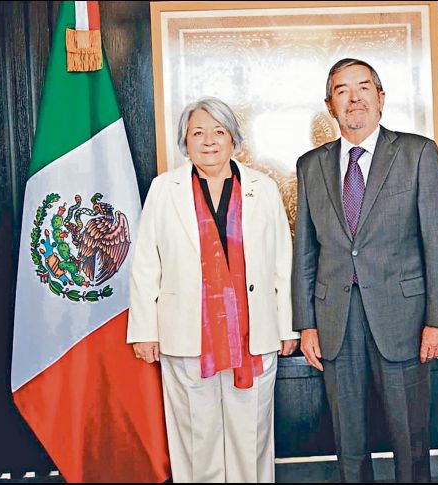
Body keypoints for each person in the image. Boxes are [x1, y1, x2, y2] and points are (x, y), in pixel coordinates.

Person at [292, 59, 438, 483]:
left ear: (381, 98)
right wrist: (306, 324)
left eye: (364, 87)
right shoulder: (310, 165)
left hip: (403, 318)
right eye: (342, 91)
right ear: (330, 105)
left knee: (410, 440)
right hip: (335, 320)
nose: (354, 98)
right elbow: (306, 251)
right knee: (348, 442)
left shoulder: (417, 152)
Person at [128, 97, 299, 483]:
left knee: (250, 436)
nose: (209, 141)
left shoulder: (263, 188)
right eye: (198, 133)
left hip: (253, 333)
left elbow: (282, 263)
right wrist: (144, 331)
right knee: (196, 437)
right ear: (184, 141)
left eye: (219, 132)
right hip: (186, 333)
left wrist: (288, 326)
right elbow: (146, 266)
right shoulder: (164, 189)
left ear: (233, 139)